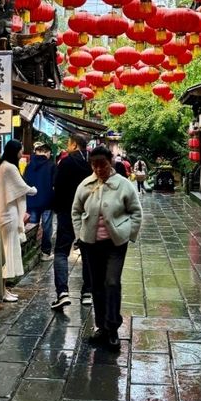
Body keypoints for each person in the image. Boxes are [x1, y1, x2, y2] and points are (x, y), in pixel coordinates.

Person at [72, 144, 142, 351]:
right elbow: (75, 211)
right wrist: (80, 234)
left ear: (110, 161)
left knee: (112, 283)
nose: (98, 169)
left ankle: (112, 328)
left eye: (102, 164)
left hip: (115, 244)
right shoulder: (85, 185)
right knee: (97, 286)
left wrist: (128, 232)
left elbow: (136, 211)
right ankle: (101, 326)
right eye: (94, 165)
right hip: (91, 244)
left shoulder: (123, 185)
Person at [0, 139, 37, 303]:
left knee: (3, 251)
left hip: (4, 215)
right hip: (8, 216)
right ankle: (1, 291)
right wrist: (35, 189)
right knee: (6, 253)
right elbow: (23, 188)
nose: (22, 154)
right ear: (15, 151)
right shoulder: (9, 167)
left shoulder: (0, 166)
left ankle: (3, 289)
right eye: (21, 150)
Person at [51, 133, 93, 310]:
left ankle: (62, 293)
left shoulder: (66, 162)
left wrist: (57, 207)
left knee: (61, 252)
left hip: (67, 213)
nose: (67, 146)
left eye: (69, 143)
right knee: (88, 252)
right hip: (89, 213)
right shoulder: (92, 163)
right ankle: (87, 293)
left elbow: (57, 187)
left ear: (75, 145)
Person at [23, 142, 56, 261]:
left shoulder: (29, 166)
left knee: (32, 226)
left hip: (31, 200)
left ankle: (31, 251)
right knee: (47, 227)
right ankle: (45, 253)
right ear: (47, 153)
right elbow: (54, 184)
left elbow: (24, 182)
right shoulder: (51, 165)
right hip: (47, 201)